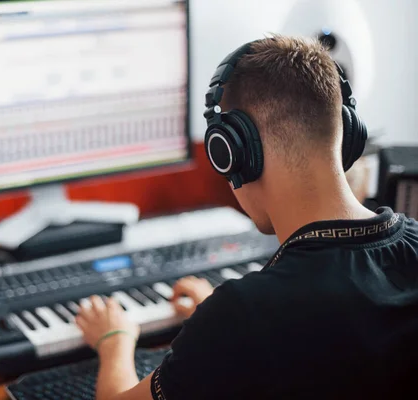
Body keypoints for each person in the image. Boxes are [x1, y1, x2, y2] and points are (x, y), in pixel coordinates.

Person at [75, 35, 418, 399]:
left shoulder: (245, 314)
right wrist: (216, 321)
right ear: (346, 135)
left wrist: (115, 340)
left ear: (233, 153)